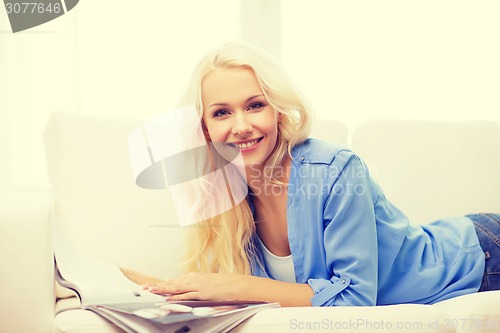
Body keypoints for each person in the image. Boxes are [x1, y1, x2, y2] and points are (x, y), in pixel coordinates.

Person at [126, 41, 499, 307]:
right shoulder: (225, 192)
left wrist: (235, 286)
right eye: (222, 112)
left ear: (278, 112)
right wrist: (122, 280)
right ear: (205, 129)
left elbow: (353, 299)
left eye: (255, 105)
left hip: (480, 256)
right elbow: (210, 290)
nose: (240, 126)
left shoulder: (334, 168)